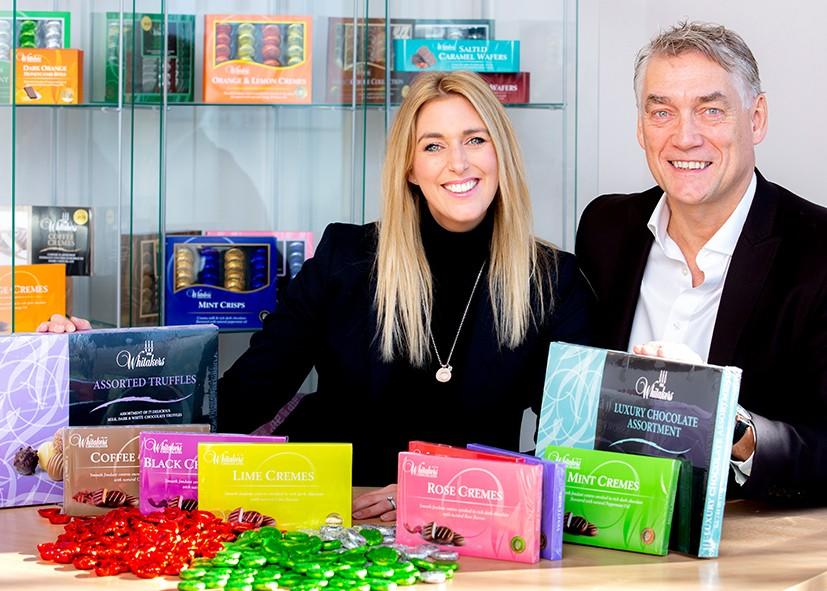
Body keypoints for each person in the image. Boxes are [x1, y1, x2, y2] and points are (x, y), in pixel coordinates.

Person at [45, 71, 593, 520]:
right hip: (329, 519)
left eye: (476, 139)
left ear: (502, 151)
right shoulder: (346, 258)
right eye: (434, 145)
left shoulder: (555, 281)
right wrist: (99, 371)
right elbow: (243, 398)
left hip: (471, 532)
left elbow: (568, 453)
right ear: (410, 167)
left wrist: (436, 496)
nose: (459, 163)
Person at [576, 21, 827, 503]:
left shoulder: (820, 250)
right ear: (640, 126)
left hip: (749, 536)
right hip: (609, 519)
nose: (685, 137)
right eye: (662, 112)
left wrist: (728, 422)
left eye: (710, 110)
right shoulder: (605, 228)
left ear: (756, 119)